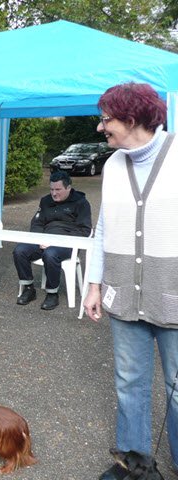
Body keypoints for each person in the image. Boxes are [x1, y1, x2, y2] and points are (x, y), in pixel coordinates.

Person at [83, 82, 178, 480]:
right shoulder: (112, 166)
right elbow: (103, 229)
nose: (102, 128)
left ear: (131, 118)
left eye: (106, 119)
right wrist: (93, 284)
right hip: (123, 294)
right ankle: (136, 465)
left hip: (171, 294)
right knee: (129, 383)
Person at [13, 170, 92, 310]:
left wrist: (57, 242)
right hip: (44, 239)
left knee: (50, 254)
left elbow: (84, 231)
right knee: (19, 251)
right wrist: (39, 239)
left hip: (67, 244)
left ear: (68, 188)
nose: (54, 193)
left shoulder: (81, 203)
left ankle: (52, 294)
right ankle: (29, 288)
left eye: (58, 189)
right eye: (51, 189)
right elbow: (36, 223)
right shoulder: (45, 201)